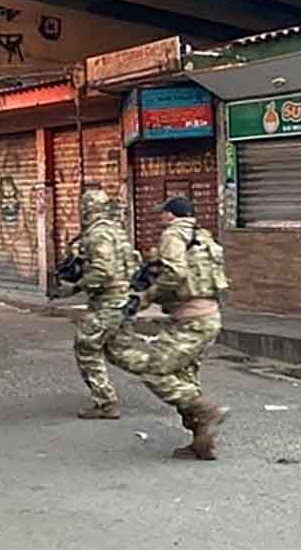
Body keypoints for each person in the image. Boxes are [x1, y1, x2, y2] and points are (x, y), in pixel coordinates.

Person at [106, 196, 229, 460]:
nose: (160, 218)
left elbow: (175, 273)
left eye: (163, 214)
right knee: (184, 379)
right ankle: (202, 441)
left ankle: (207, 410)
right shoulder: (202, 237)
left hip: (192, 320)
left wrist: (148, 296)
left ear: (172, 215)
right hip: (207, 316)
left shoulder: (173, 236)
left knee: (154, 370)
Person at [69, 187, 138, 420]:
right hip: (124, 298)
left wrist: (77, 286)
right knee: (119, 352)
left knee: (86, 347)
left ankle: (106, 402)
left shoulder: (98, 234)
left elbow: (103, 271)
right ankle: (164, 372)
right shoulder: (117, 230)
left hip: (108, 301)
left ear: (86, 209)